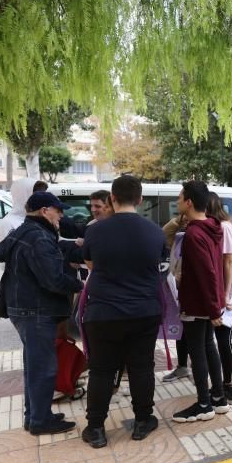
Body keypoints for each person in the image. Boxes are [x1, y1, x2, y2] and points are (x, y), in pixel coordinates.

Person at [79, 176, 166, 448]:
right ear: (140, 199)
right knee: (142, 367)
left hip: (103, 311)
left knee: (102, 370)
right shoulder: (155, 231)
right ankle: (143, 421)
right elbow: (159, 264)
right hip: (144, 310)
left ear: (112, 199)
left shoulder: (95, 231)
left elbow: (90, 263)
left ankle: (95, 428)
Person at [0, 192, 83, 435]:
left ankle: (34, 416)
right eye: (58, 210)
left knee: (34, 366)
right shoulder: (39, 238)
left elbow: (36, 254)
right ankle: (41, 422)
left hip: (22, 308)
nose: (61, 215)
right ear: (44, 211)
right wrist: (80, 285)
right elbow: (52, 280)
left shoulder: (25, 231)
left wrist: (70, 245)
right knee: (43, 367)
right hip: (36, 310)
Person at [171, 181, 230, 421]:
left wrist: (213, 309)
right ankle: (218, 398)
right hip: (208, 301)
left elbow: (207, 272)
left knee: (198, 350)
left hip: (198, 303)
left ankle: (204, 403)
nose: (177, 202)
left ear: (189, 202)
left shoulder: (194, 234)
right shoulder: (212, 227)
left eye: (179, 197)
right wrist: (215, 304)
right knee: (208, 346)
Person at [208, 192, 232, 403]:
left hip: (231, 290)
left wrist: (225, 295)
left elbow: (229, 263)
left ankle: (229, 385)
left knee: (223, 338)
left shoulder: (224, 228)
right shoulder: (224, 225)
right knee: (220, 338)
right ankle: (222, 383)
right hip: (228, 290)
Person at [160, 211, 191, 383]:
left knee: (199, 337)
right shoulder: (179, 238)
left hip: (195, 295)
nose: (185, 221)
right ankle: (182, 367)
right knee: (181, 331)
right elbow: (165, 234)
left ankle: (202, 373)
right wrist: (179, 220)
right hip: (180, 292)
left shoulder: (202, 236)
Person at [0, 178, 37, 244]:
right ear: (22, 195)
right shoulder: (7, 223)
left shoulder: (40, 219)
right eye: (34, 192)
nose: (38, 196)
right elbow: (2, 252)